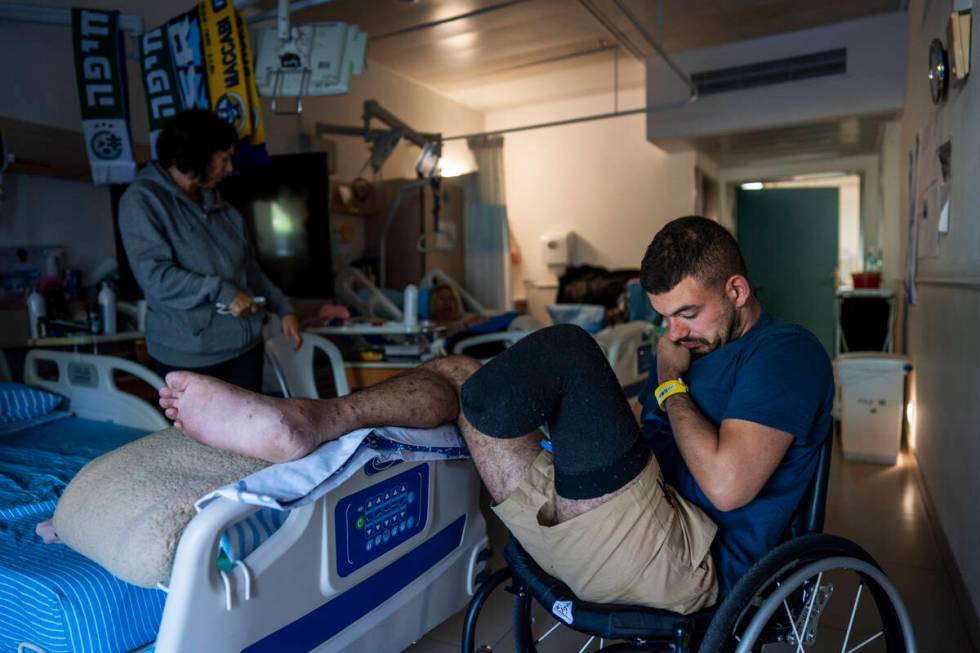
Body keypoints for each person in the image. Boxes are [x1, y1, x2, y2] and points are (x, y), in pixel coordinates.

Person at [156, 216, 833, 610]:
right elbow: (648, 439)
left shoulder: (786, 356)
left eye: (688, 313)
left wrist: (665, 387)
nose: (675, 333)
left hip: (687, 558)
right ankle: (312, 419)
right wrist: (604, 420)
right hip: (612, 516)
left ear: (737, 289)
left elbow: (725, 484)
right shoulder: (693, 346)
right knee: (459, 376)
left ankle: (311, 419)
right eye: (664, 319)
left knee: (569, 350)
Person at [119, 109, 302, 393]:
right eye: (224, 158)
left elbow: (249, 270)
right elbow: (156, 277)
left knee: (247, 434)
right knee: (200, 439)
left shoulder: (221, 207)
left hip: (246, 347)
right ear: (198, 154)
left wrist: (283, 307)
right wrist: (224, 293)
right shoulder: (143, 201)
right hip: (191, 356)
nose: (230, 168)